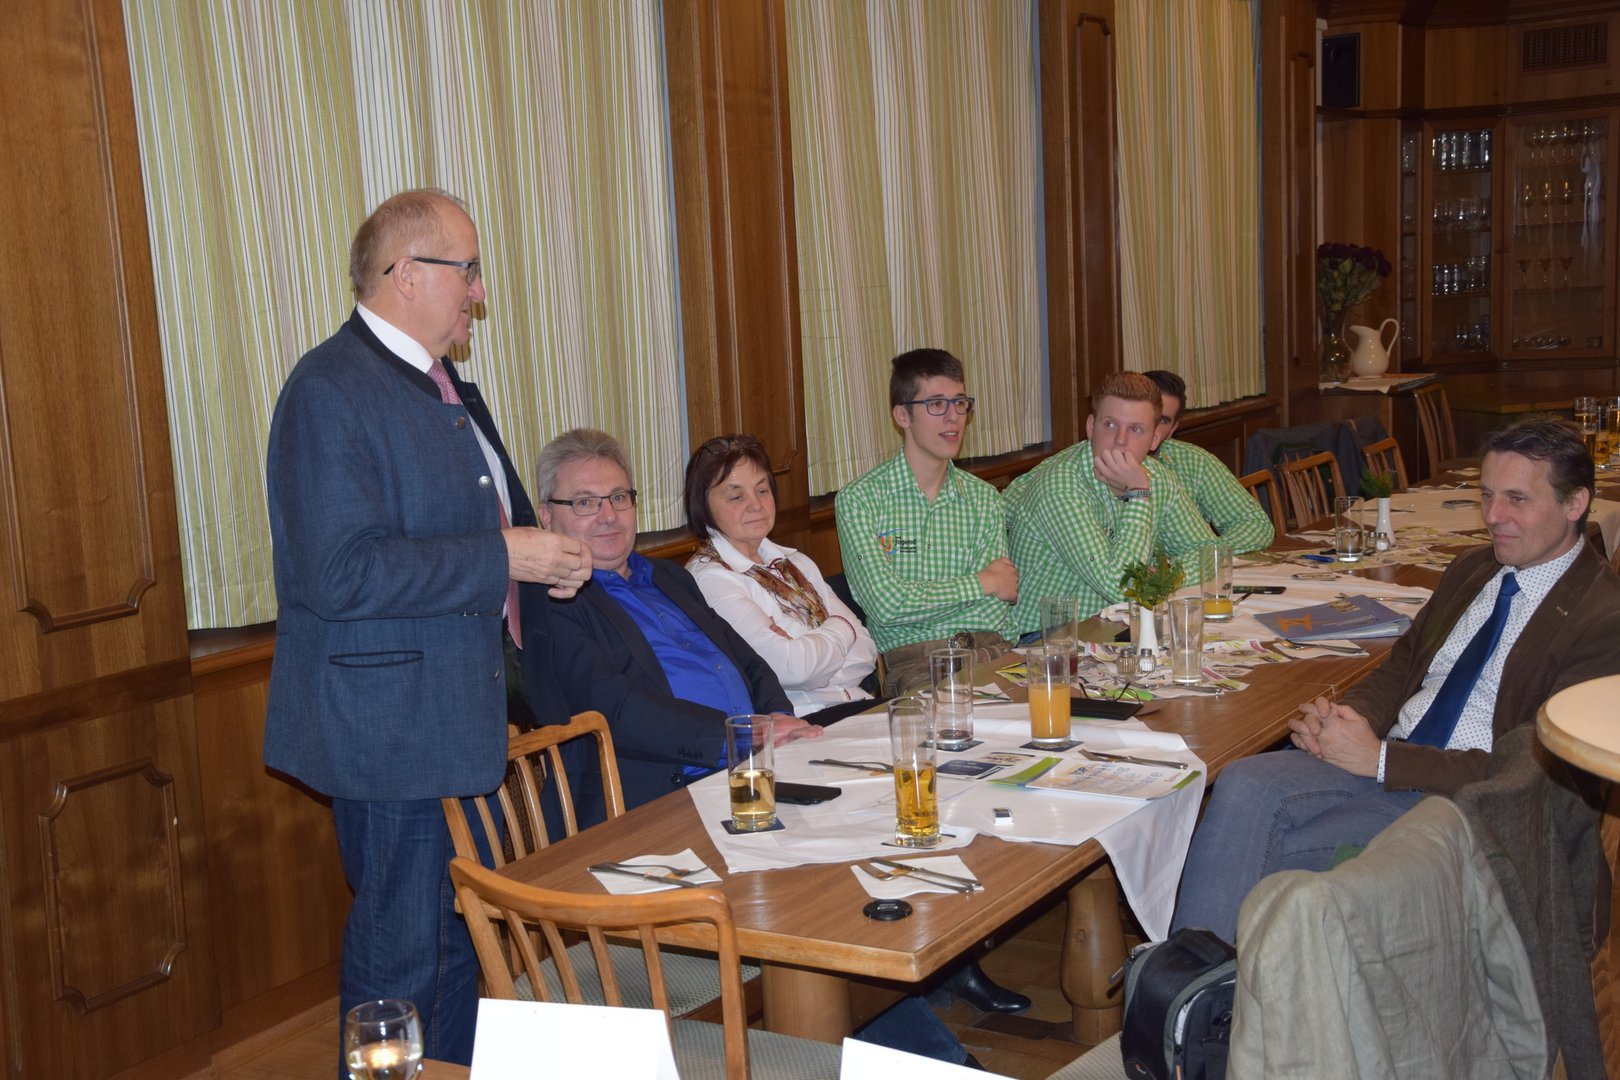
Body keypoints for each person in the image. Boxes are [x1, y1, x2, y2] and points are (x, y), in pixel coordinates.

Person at [263, 188, 592, 1065]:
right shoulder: (330, 389)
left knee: (455, 953)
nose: (479, 291)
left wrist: (542, 558)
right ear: (405, 273)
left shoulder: (442, 385)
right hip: (389, 730)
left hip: (457, 715)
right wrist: (503, 556)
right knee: (400, 958)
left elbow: (475, 530)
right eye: (467, 270)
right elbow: (341, 574)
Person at [1173, 415, 1620, 944]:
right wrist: (1347, 719)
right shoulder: (1473, 570)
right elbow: (1402, 666)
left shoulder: (1602, 618)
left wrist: (1380, 760)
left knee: (1269, 855)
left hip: (1475, 804)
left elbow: (1538, 773)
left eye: (1517, 499)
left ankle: (1189, 985)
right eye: (1486, 495)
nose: (1493, 516)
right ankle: (1195, 984)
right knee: (1244, 781)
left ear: (1575, 504)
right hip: (1389, 759)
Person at [532, 428, 820, 816]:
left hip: (756, 766)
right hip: (660, 798)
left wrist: (779, 719)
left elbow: (746, 660)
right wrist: (739, 738)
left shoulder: (669, 577)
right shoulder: (551, 602)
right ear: (547, 516)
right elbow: (617, 709)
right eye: (585, 502)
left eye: (618, 497)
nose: (609, 516)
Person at [835, 348, 1019, 696]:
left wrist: (920, 600)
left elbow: (997, 606)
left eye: (960, 403)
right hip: (917, 664)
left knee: (1064, 705)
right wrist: (983, 582)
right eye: (936, 404)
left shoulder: (984, 498)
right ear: (902, 415)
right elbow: (888, 606)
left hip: (993, 650)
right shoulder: (860, 500)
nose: (953, 417)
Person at [684, 433, 879, 723]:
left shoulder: (796, 562)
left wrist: (812, 655)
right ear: (703, 506)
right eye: (737, 496)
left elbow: (867, 651)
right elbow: (795, 669)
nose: (756, 505)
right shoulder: (711, 579)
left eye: (762, 490)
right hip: (801, 721)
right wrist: (842, 627)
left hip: (856, 704)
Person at [1003, 371, 1216, 632]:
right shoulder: (1060, 487)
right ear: (1091, 427)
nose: (1120, 440)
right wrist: (1138, 494)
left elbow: (1209, 554)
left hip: (1112, 627)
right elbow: (1120, 587)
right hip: (1045, 639)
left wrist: (1162, 575)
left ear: (1154, 439)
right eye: (1110, 425)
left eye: (1135, 429)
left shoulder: (1158, 477)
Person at [1142, 370, 1273, 553]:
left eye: (1163, 420)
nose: (1153, 428)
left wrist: (1206, 555)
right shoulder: (1100, 466)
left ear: (1173, 429)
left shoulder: (1194, 461)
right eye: (1147, 416)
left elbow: (1255, 523)